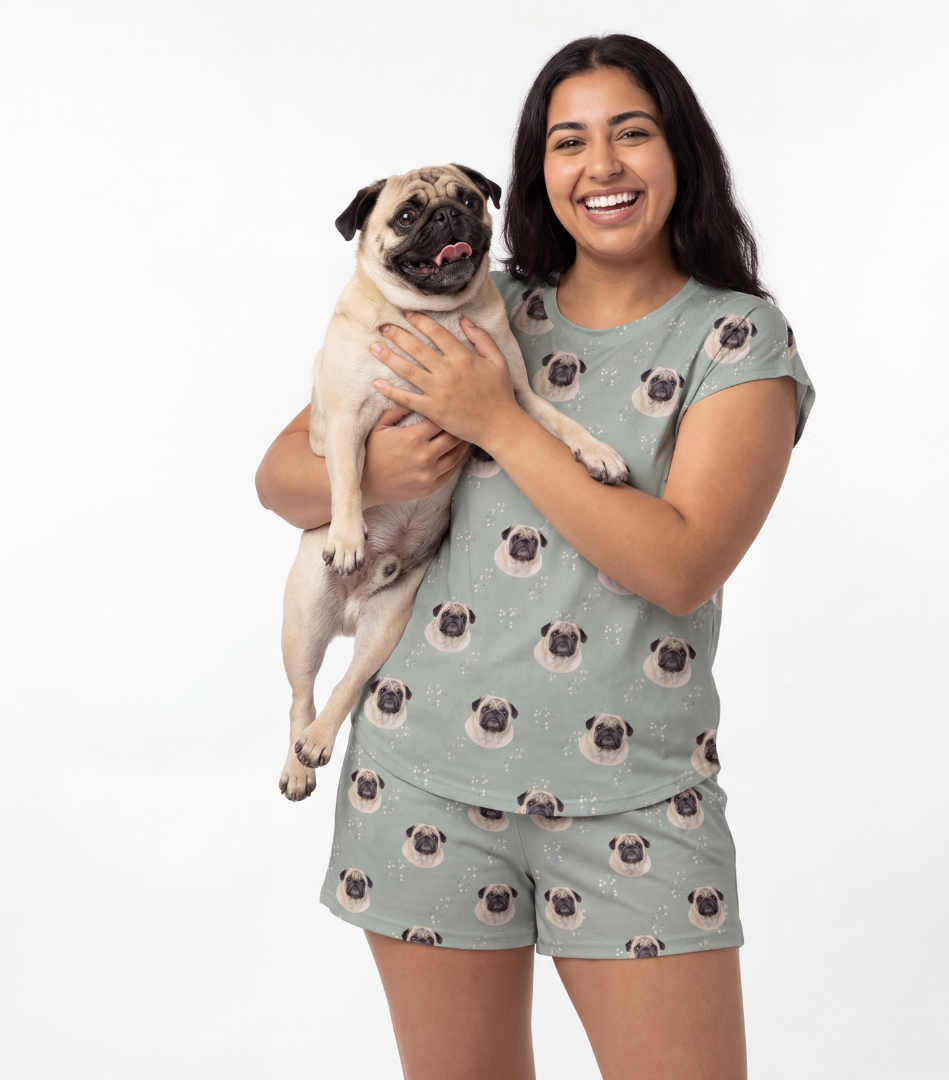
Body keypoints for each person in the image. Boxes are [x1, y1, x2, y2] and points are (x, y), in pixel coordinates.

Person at [256, 34, 814, 1080]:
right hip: (421, 779)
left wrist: (499, 419)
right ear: (536, 174)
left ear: (681, 152)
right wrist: (379, 472)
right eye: (569, 142)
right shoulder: (477, 304)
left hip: (634, 804)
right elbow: (281, 471)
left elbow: (683, 565)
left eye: (630, 134)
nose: (599, 166)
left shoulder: (738, 342)